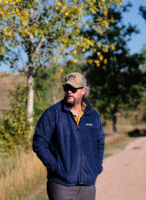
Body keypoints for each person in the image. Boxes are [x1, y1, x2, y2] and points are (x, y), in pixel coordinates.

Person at [33, 72, 105, 200]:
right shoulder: (53, 113)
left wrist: (96, 167)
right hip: (61, 186)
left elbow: (99, 143)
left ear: (83, 90)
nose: (69, 92)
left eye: (73, 89)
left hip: (88, 185)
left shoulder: (93, 116)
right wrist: (56, 167)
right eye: (66, 88)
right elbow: (39, 142)